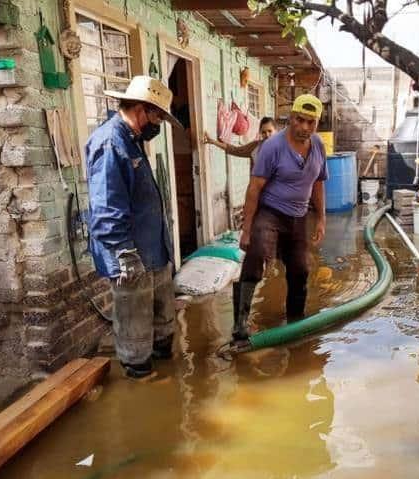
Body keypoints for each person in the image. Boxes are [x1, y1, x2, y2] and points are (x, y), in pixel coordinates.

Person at [86, 75, 183, 380]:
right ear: (142, 109)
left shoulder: (133, 141)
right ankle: (139, 375)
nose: (159, 124)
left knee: (161, 319)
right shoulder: (110, 142)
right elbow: (106, 209)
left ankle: (163, 363)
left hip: (154, 251)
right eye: (158, 116)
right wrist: (125, 253)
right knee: (134, 325)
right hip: (132, 254)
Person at [231, 95, 328, 343]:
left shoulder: (318, 146)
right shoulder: (272, 147)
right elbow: (254, 189)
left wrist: (321, 219)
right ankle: (240, 326)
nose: (305, 127)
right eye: (300, 120)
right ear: (290, 118)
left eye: (311, 122)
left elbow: (318, 183)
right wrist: (246, 230)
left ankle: (295, 324)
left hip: (298, 216)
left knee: (300, 270)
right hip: (270, 212)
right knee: (257, 256)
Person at [202, 116, 278, 169]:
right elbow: (235, 150)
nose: (267, 135)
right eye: (264, 132)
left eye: (270, 131)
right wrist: (213, 142)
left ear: (276, 131)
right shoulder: (255, 147)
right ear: (260, 132)